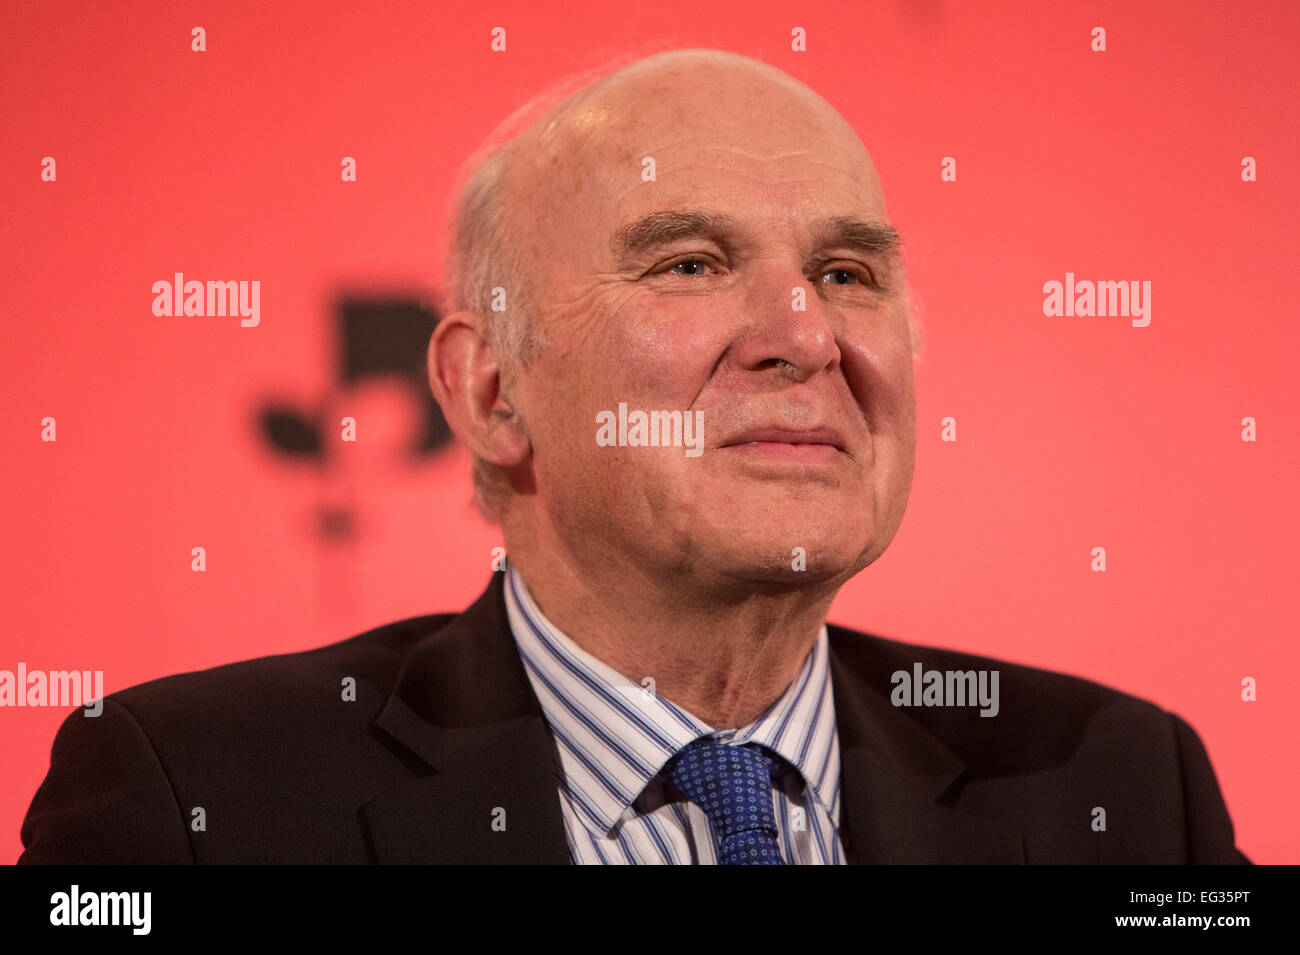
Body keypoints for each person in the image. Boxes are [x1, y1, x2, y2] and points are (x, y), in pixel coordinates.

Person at [19, 48, 1247, 864]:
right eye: (690, 264)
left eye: (845, 272)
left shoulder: (1127, 793)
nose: (804, 336)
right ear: (491, 389)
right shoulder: (193, 801)